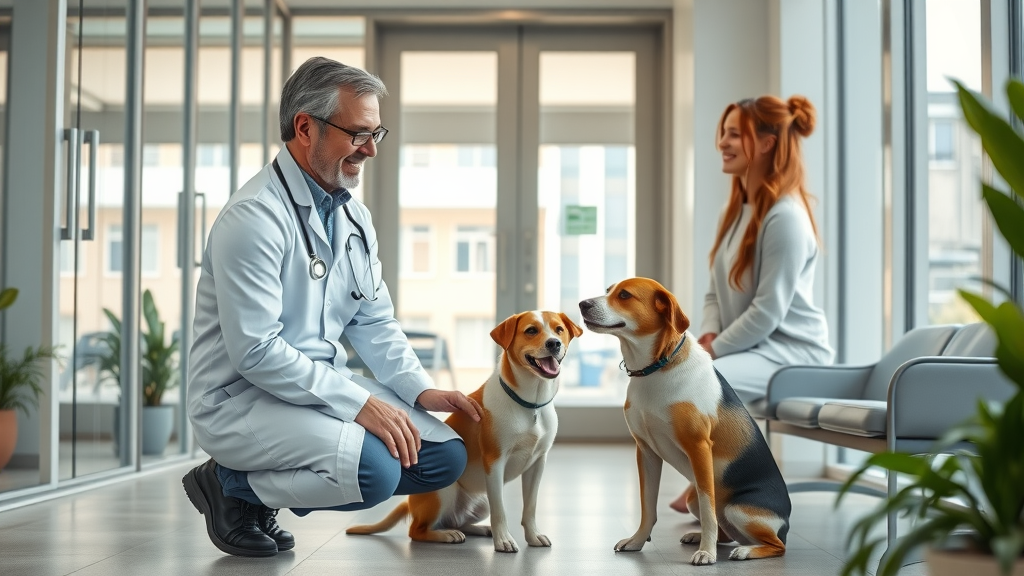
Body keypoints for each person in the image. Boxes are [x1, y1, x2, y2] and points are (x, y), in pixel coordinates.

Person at [182, 57, 482, 557]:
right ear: (305, 127)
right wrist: (361, 405)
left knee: (442, 458)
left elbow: (373, 320)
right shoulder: (253, 218)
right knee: (376, 471)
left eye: (375, 133)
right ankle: (231, 484)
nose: (370, 149)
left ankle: (248, 487)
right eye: (357, 133)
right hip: (242, 398)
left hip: (318, 387)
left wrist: (422, 391)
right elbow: (256, 352)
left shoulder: (354, 217)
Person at [670, 95, 834, 514]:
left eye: (732, 133)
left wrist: (711, 351)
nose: (721, 143)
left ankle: (712, 485)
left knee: (699, 383)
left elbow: (767, 311)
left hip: (792, 354)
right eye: (722, 133)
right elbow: (713, 292)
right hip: (752, 347)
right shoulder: (738, 211)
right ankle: (707, 483)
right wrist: (707, 336)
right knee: (684, 380)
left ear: (765, 143)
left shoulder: (785, 218)